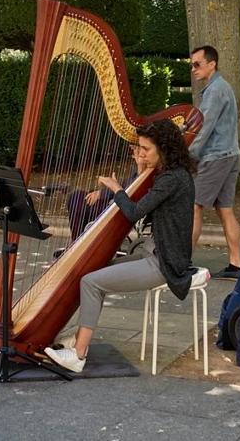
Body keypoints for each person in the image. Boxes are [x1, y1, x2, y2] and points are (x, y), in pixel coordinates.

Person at [44, 119, 197, 373]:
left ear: (164, 149)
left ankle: (78, 355)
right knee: (94, 270)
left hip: (165, 262)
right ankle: (81, 338)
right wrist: (139, 168)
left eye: (146, 149)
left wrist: (117, 189)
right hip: (152, 251)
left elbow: (134, 211)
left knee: (91, 282)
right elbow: (141, 197)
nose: (141, 153)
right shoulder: (170, 174)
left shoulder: (171, 180)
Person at [188, 45, 240, 280]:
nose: (193, 69)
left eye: (197, 64)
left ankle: (182, 261)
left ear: (212, 64)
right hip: (230, 155)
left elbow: (204, 128)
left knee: (195, 205)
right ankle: (236, 265)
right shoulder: (221, 87)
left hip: (215, 157)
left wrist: (187, 155)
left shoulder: (214, 91)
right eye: (191, 65)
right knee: (225, 210)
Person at [66, 145, 146, 241]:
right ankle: (79, 242)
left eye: (139, 148)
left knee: (76, 199)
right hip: (115, 205)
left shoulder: (146, 176)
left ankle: (76, 242)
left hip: (121, 210)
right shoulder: (137, 173)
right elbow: (123, 186)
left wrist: (108, 190)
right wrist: (103, 190)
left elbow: (124, 192)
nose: (134, 151)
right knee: (77, 197)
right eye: (135, 149)